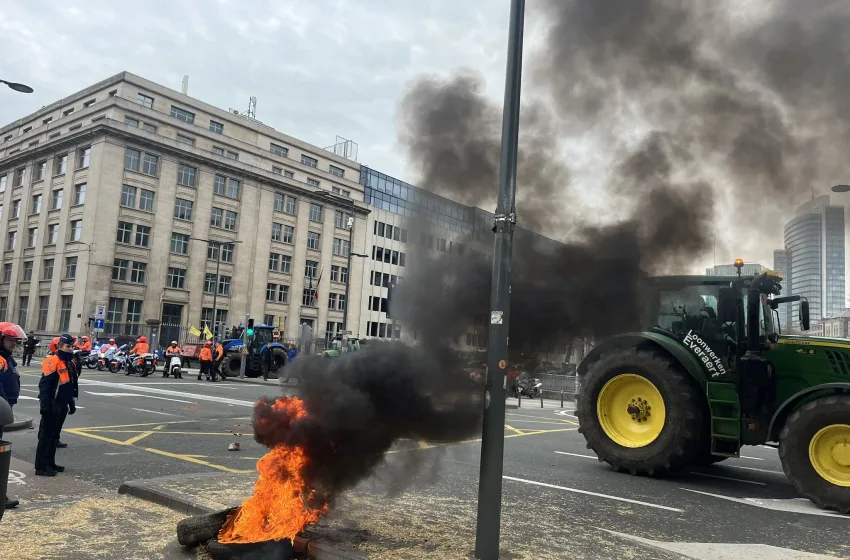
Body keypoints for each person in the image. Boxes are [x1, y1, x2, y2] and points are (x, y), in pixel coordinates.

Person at [36, 333, 77, 477]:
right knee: (46, 435)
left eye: (72, 346)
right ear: (59, 346)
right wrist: (45, 406)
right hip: (52, 404)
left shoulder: (70, 362)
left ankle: (50, 462)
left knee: (54, 436)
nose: (71, 349)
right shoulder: (52, 361)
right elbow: (45, 385)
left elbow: (70, 385)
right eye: (67, 346)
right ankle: (41, 466)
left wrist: (71, 402)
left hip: (62, 404)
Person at [0, 322, 25, 508]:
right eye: (10, 339)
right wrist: (5, 405)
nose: (13, 343)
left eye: (15, 340)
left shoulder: (6, 358)